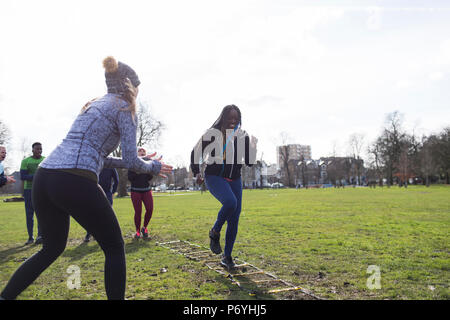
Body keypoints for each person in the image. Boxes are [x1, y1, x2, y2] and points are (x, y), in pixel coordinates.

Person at [0, 56, 172, 300]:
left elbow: (100, 157)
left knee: (51, 248)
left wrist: (145, 164)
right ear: (129, 85)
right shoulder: (125, 108)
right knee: (114, 246)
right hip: (73, 179)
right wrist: (152, 165)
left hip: (46, 177)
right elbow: (133, 161)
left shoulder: (93, 105)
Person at [190, 105, 257, 270]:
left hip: (235, 179)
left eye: (236, 119)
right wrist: (196, 173)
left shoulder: (242, 136)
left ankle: (227, 257)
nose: (233, 121)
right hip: (215, 177)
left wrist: (253, 148)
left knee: (234, 218)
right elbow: (195, 152)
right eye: (230, 118)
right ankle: (215, 231)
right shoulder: (212, 134)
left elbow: (249, 161)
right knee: (230, 202)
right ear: (223, 118)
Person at [84, 167, 119, 243]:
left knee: (107, 214)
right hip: (94, 191)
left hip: (107, 193)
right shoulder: (95, 162)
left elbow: (116, 180)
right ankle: (89, 234)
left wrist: (113, 192)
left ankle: (107, 234)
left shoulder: (111, 166)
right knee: (93, 214)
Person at [128, 147, 156, 239]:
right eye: (140, 151)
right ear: (137, 154)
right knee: (138, 212)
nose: (142, 152)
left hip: (146, 190)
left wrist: (149, 171)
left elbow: (150, 177)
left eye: (144, 151)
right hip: (135, 191)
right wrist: (139, 171)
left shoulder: (147, 164)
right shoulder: (132, 164)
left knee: (150, 209)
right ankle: (137, 231)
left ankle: (144, 228)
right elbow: (130, 177)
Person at [20, 142, 45, 245]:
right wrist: (36, 176)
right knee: (29, 214)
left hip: (41, 190)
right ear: (32, 150)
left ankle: (40, 236)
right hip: (29, 190)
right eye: (37, 149)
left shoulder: (45, 160)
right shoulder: (26, 161)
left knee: (41, 214)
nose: (39, 151)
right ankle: (30, 237)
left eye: (41, 149)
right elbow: (23, 176)